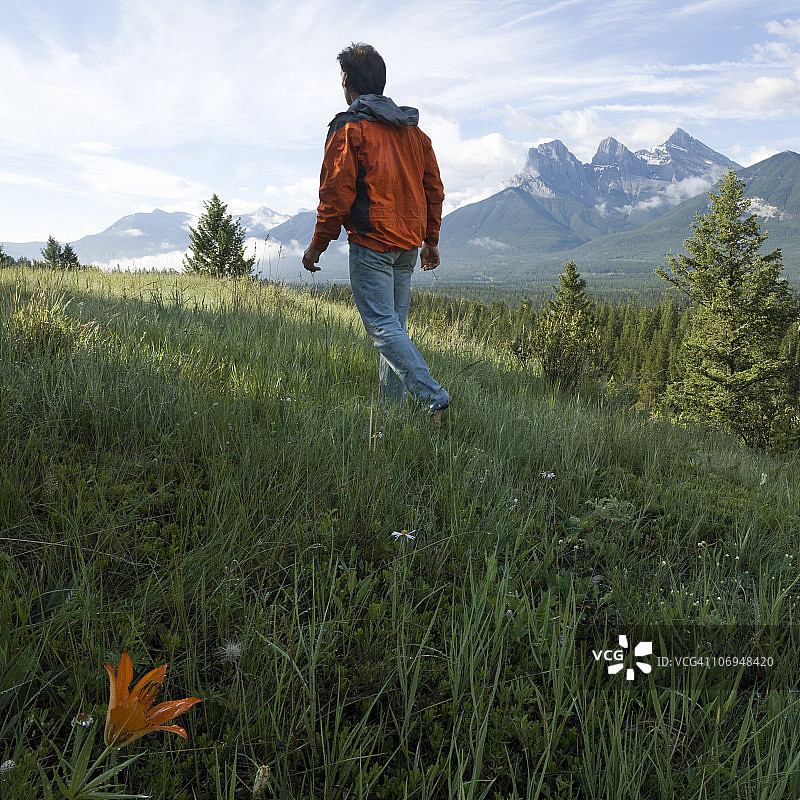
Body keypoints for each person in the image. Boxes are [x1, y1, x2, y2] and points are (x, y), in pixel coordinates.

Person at [302, 42, 451, 421]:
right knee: (394, 329)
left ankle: (432, 397)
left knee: (383, 329)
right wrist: (429, 241)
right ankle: (391, 414)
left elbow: (335, 194)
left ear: (347, 80)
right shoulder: (415, 135)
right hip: (407, 248)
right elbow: (433, 189)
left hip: (373, 244)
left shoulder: (350, 128)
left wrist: (316, 246)